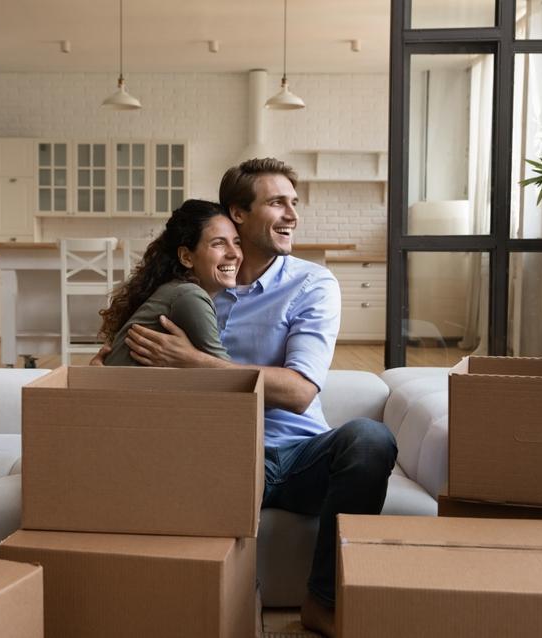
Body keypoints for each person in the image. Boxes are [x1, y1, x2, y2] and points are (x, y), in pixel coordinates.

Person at [122, 158, 397, 638]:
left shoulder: (312, 284)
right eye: (277, 202)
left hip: (297, 455)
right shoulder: (197, 289)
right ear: (239, 214)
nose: (292, 214)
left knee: (371, 439)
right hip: (220, 455)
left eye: (294, 202)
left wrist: (198, 363)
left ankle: (322, 602)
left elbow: (299, 391)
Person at [100, 199, 241, 366]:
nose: (234, 254)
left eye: (237, 243)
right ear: (187, 257)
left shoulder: (174, 289)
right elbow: (232, 378)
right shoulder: (189, 296)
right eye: (218, 243)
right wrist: (194, 360)